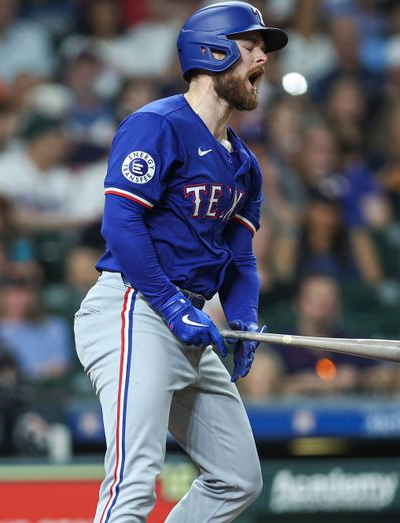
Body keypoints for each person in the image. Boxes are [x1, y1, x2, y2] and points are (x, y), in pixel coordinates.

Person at [73, 3, 287, 522]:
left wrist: (243, 317)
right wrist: (170, 304)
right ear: (212, 51)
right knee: (134, 481)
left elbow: (240, 257)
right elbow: (121, 226)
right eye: (251, 44)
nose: (263, 56)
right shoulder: (157, 124)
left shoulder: (244, 163)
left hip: (187, 320)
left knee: (238, 479)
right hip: (135, 309)